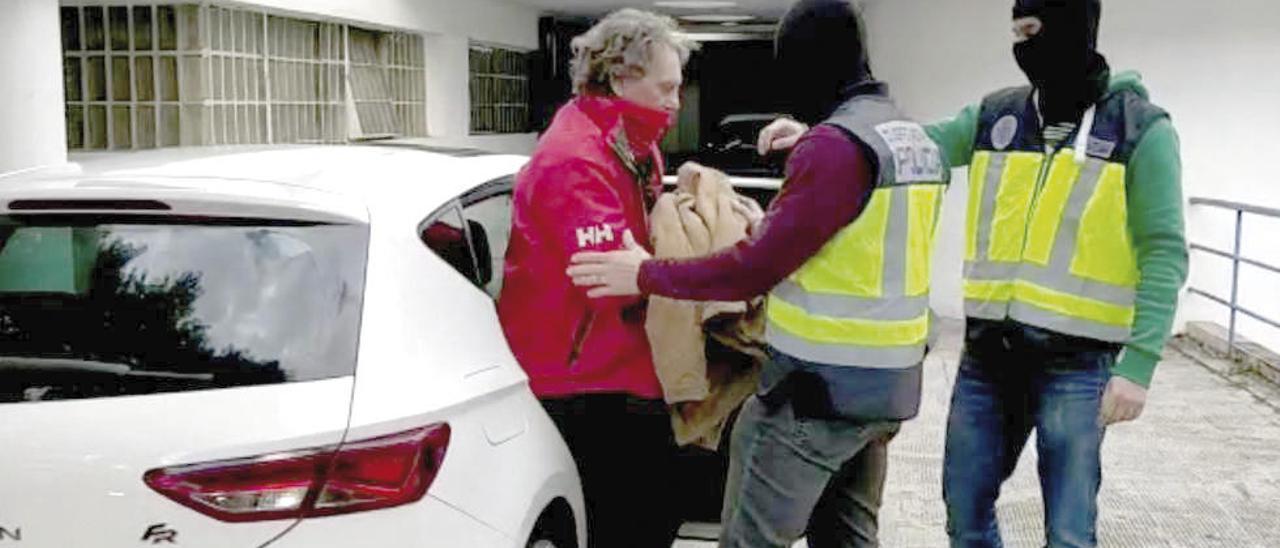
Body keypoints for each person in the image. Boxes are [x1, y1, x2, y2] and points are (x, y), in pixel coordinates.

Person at [758, 1, 1188, 546]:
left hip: (1077, 364)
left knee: (1069, 528)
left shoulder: (1140, 130)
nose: (1021, 46)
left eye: (1032, 31)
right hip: (991, 357)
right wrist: (823, 135)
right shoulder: (997, 116)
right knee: (964, 510)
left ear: (1075, 28)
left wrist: (1140, 364)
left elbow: (1164, 250)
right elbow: (908, 148)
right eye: (1015, 33)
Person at [567, 1, 948, 546]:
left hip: (815, 393)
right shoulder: (907, 139)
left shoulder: (835, 149)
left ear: (811, 61)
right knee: (848, 536)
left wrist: (646, 273)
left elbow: (752, 270)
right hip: (887, 387)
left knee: (751, 538)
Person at [494, 9, 693, 548]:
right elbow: (610, 279)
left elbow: (638, 256)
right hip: (585, 375)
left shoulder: (633, 144)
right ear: (623, 77)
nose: (676, 101)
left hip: (618, 364)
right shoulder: (575, 160)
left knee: (655, 511)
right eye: (667, 88)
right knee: (632, 522)